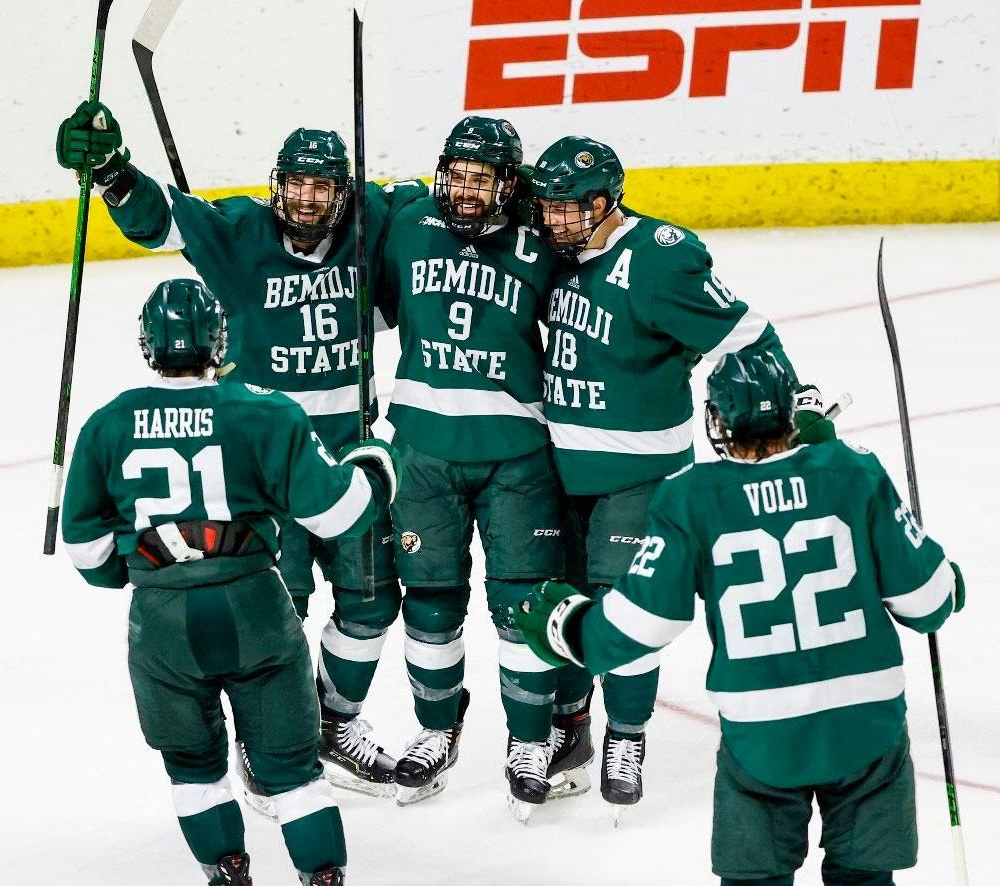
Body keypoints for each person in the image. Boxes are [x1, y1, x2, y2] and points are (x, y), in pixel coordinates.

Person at [56, 101, 419, 796]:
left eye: (322, 188)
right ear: (275, 183)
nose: (306, 200)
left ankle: (333, 723)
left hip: (345, 464)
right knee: (279, 614)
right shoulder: (239, 230)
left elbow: (442, 211)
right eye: (294, 185)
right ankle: (274, 736)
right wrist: (109, 169)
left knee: (371, 606)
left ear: (343, 192)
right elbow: (156, 216)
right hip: (258, 477)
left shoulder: (372, 220)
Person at [518, 350, 964, 881]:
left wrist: (569, 626)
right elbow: (929, 601)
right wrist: (950, 580)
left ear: (721, 420)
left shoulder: (690, 496)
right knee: (866, 877)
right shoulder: (854, 471)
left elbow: (645, 623)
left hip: (763, 732)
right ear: (789, 413)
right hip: (866, 724)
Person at [61, 280, 401, 885]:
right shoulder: (265, 410)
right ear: (220, 341)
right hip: (255, 609)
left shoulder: (107, 424)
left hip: (162, 620)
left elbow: (89, 558)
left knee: (192, 766)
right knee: (294, 772)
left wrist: (145, 562)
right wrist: (373, 466)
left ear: (148, 346)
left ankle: (226, 870)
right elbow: (337, 515)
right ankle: (322, 877)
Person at [524, 135, 810, 814]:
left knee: (625, 610)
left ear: (604, 202)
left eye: (568, 208)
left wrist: (779, 414)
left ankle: (627, 734)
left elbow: (748, 336)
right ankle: (571, 728)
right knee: (559, 600)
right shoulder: (554, 257)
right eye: (548, 207)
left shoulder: (662, 261)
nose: (553, 221)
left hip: (640, 472)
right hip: (558, 466)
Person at [378, 117, 571, 820]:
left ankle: (529, 740)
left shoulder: (543, 242)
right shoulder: (406, 223)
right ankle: (435, 730)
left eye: (481, 178)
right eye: (456, 174)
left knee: (522, 607)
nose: (463, 190)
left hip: (518, 453)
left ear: (509, 184)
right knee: (429, 604)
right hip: (422, 451)